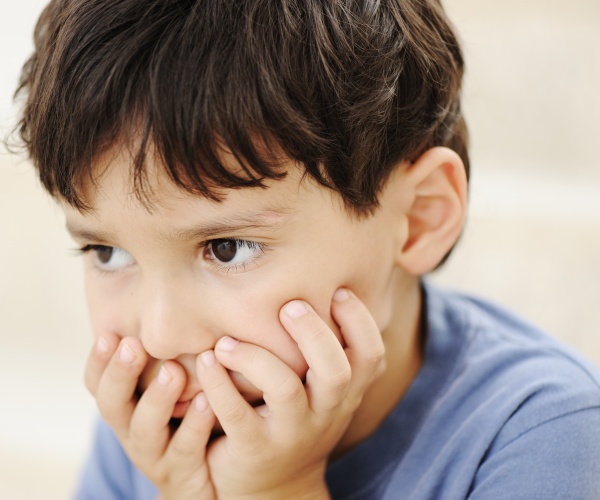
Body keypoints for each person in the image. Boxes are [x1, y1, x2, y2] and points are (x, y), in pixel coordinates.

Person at [13, 0, 600, 498]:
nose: (161, 336)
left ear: (419, 219)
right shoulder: (158, 424)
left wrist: (277, 489)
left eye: (227, 247)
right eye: (107, 254)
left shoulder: (546, 437)